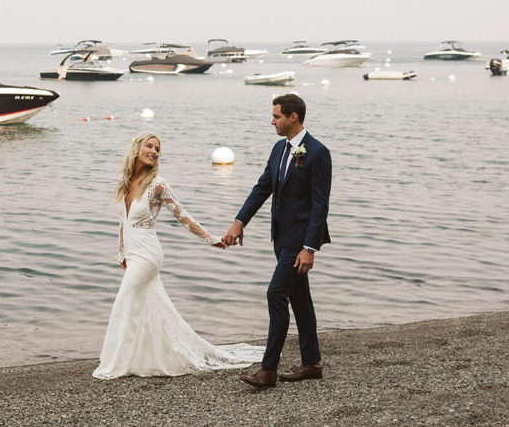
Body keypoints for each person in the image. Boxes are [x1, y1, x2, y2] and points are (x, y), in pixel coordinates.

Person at [93, 133, 263, 379]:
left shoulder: (158, 185)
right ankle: (140, 357)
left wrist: (211, 239)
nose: (154, 151)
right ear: (137, 149)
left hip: (148, 254)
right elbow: (123, 221)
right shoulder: (123, 181)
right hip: (132, 251)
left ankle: (116, 361)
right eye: (149, 146)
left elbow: (184, 217)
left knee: (125, 299)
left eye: (158, 149)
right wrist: (121, 252)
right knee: (146, 305)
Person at [224, 94, 331, 388]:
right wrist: (239, 221)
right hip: (280, 238)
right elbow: (263, 188)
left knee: (276, 294)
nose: (272, 121)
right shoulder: (279, 149)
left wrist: (309, 248)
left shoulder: (318, 153)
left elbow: (320, 205)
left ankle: (268, 369)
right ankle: (312, 363)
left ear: (293, 117)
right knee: (300, 299)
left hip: (300, 242)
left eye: (277, 116)